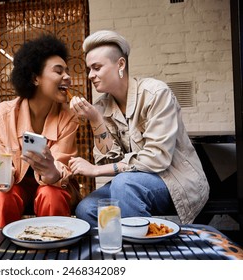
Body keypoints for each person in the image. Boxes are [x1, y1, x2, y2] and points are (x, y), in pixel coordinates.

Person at [68, 30, 209, 226]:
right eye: (89, 69)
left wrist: (95, 171)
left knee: (123, 185)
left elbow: (156, 159)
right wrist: (95, 119)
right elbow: (110, 161)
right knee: (86, 209)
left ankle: (142, 251)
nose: (91, 75)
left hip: (174, 179)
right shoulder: (101, 107)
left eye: (97, 67)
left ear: (121, 64)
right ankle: (127, 241)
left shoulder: (155, 93)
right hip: (131, 182)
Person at [0, 34, 81, 228]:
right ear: (35, 78)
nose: (67, 77)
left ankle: (53, 253)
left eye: (67, 71)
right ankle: (2, 255)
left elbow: (64, 169)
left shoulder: (69, 117)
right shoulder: (1, 115)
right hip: (13, 189)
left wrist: (52, 171)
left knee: (51, 194)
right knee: (0, 197)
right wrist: (1, 173)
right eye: (58, 71)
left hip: (53, 187)